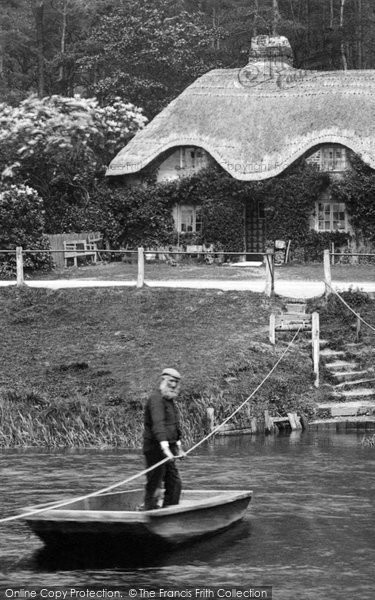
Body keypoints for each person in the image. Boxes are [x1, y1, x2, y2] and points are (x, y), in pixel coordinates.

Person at [143, 367, 185, 510]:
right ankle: (149, 511)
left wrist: (178, 447)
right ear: (163, 380)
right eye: (171, 381)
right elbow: (158, 425)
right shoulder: (156, 399)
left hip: (169, 449)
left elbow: (174, 425)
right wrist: (165, 448)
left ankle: (169, 512)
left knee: (175, 483)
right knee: (155, 484)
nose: (173, 385)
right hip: (155, 449)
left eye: (176, 382)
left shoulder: (170, 400)